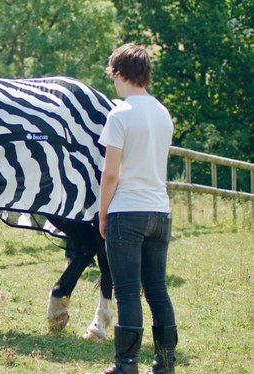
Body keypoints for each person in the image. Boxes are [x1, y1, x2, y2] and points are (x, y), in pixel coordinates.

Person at [98, 44, 177, 374]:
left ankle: (126, 365)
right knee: (157, 290)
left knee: (128, 291)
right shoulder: (163, 112)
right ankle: (165, 363)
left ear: (119, 73)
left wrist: (103, 214)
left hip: (127, 211)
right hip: (160, 212)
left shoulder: (120, 113)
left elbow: (112, 173)